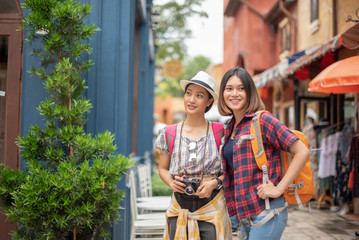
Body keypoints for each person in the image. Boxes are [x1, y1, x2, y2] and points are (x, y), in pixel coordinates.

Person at [218, 67, 310, 240]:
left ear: (250, 92)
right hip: (244, 214)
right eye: (229, 89)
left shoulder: (262, 120)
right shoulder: (230, 127)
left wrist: (278, 189)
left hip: (267, 211)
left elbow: (302, 151)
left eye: (241, 88)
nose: (234, 94)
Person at [155, 71, 232, 240]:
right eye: (188, 94)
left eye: (199, 95)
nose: (191, 100)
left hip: (212, 206)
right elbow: (162, 168)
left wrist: (214, 182)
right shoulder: (169, 133)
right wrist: (172, 183)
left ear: (209, 101)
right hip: (179, 207)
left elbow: (232, 169)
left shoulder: (222, 132)